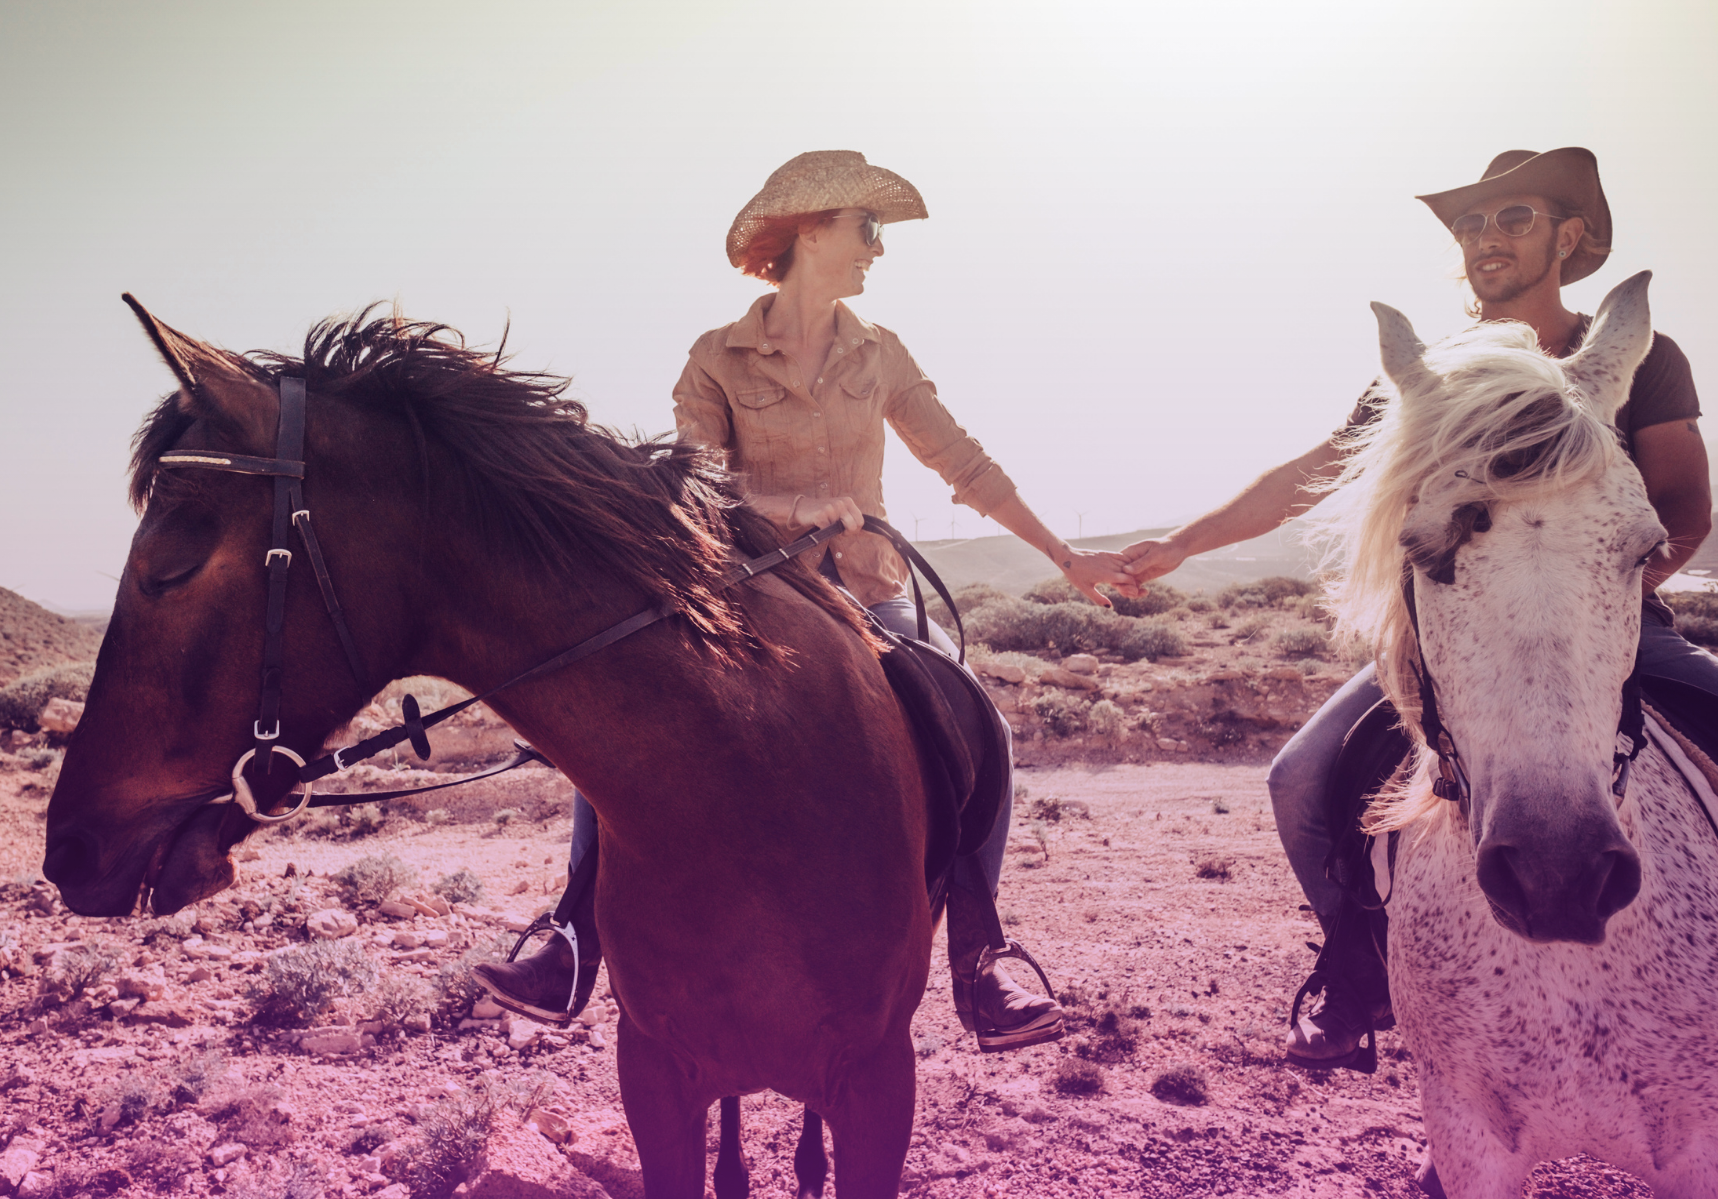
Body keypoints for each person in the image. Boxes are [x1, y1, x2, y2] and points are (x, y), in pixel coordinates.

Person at [475, 150, 1135, 1050]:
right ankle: (570, 940)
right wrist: (796, 511)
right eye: (867, 230)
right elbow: (694, 486)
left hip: (865, 594)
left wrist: (1064, 558)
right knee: (622, 724)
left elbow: (963, 462)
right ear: (811, 232)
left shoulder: (882, 354)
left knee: (980, 724)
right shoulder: (715, 357)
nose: (877, 250)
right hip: (746, 598)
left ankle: (980, 955)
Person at [1119, 147, 1714, 1066]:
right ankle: (1356, 965)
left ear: (1569, 235)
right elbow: (1309, 475)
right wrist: (1180, 546)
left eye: (1510, 218)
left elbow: (1683, 504)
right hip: (1454, 641)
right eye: (1471, 224)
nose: (1484, 238)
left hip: (1615, 628)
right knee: (1300, 780)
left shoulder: (1637, 361)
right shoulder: (1431, 378)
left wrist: (1596, 601)